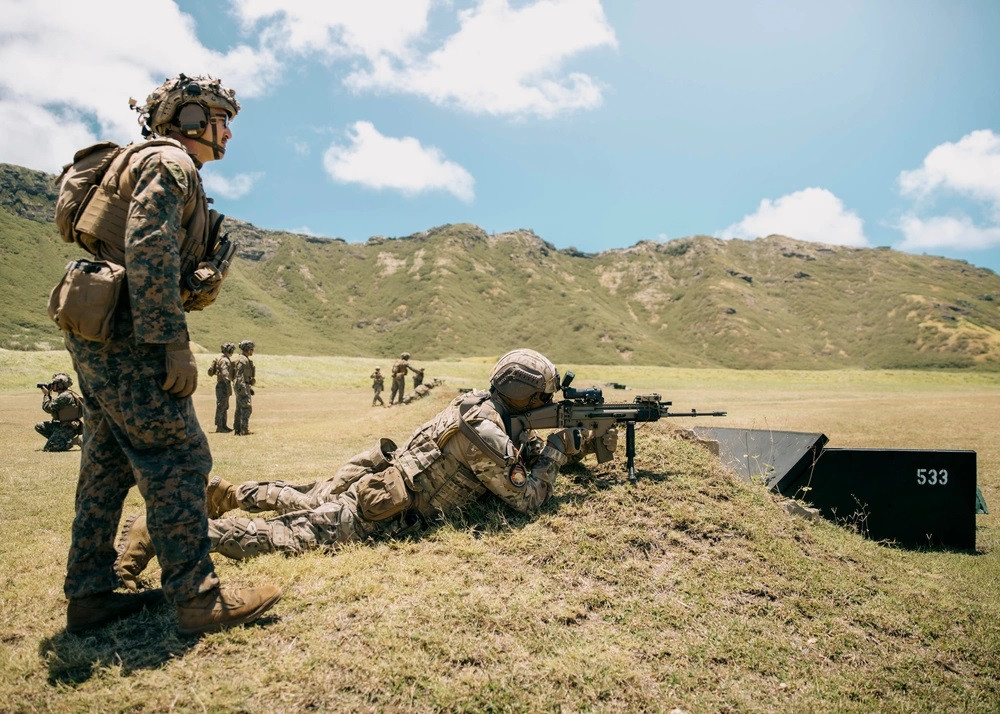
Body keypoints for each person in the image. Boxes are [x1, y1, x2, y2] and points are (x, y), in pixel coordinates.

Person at [55, 74, 280, 635]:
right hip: (133, 333)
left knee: (105, 466)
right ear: (188, 119)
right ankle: (199, 599)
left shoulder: (147, 161)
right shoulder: (171, 163)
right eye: (220, 118)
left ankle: (90, 595)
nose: (227, 132)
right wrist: (172, 344)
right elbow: (149, 246)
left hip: (99, 326)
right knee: (177, 459)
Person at [115, 349, 618, 574]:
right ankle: (171, 528)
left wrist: (543, 442)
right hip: (382, 510)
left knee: (307, 495)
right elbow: (526, 499)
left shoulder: (480, 405)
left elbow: (509, 451)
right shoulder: (483, 429)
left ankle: (224, 495)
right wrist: (556, 452)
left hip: (380, 479)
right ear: (526, 396)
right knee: (283, 536)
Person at [35, 372, 84, 452]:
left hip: (70, 427)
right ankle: (59, 439)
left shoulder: (65, 396)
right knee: (39, 426)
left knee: (50, 448)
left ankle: (72, 441)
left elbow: (48, 408)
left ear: (61, 385)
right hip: (63, 424)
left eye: (55, 383)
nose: (52, 385)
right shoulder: (64, 394)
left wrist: (47, 395)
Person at [208, 342, 235, 432]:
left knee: (224, 405)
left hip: (221, 384)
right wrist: (228, 383)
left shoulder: (220, 358)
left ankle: (223, 425)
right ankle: (220, 426)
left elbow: (211, 372)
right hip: (223, 385)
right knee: (222, 406)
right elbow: (225, 374)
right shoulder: (225, 360)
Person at [233, 340, 256, 435]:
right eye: (251, 349)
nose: (252, 351)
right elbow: (239, 375)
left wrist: (248, 387)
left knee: (239, 408)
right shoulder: (242, 360)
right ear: (247, 349)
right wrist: (243, 388)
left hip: (243, 385)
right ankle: (244, 429)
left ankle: (238, 429)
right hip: (241, 385)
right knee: (247, 407)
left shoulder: (243, 359)